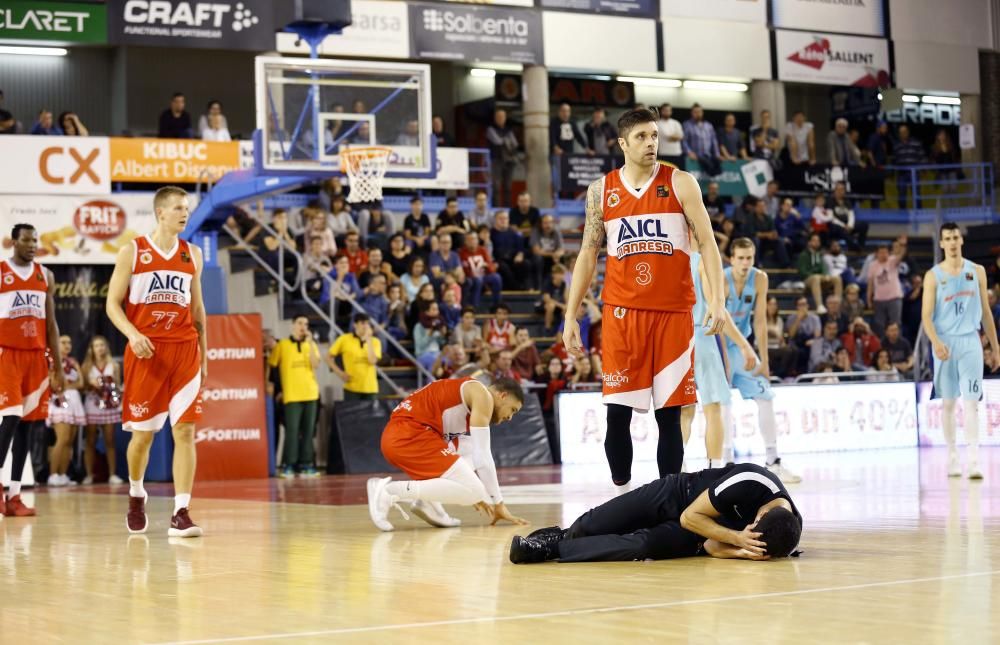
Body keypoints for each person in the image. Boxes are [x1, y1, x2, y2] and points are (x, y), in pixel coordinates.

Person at [563, 107, 728, 487]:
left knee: (669, 415)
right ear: (622, 143)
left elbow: (708, 243)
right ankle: (620, 492)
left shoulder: (681, 182)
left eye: (654, 135)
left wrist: (717, 300)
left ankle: (667, 500)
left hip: (673, 314)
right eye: (641, 137)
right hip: (623, 314)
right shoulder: (601, 191)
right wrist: (570, 315)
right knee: (616, 414)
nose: (651, 143)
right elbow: (588, 253)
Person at [105, 187, 206, 536]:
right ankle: (136, 493)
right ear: (161, 212)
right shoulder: (132, 251)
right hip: (146, 352)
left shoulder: (193, 254)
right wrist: (133, 335)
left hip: (184, 351)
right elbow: (112, 305)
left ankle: (181, 512)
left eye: (187, 208)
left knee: (186, 431)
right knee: (143, 440)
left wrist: (203, 357)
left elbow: (198, 311)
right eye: (178, 208)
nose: (185, 213)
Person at [509, 463, 802, 564]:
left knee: (641, 545)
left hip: (700, 532)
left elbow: (713, 545)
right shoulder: (751, 480)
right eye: (751, 525)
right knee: (594, 524)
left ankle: (550, 549)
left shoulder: (781, 537)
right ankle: (563, 535)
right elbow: (690, 516)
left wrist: (739, 549)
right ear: (762, 512)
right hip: (680, 496)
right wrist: (738, 537)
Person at [368, 377, 528, 531]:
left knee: (469, 447)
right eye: (512, 409)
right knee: (475, 490)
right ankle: (390, 491)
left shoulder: (467, 397)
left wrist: (459, 488)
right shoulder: (482, 395)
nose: (510, 417)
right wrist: (497, 502)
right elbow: (484, 457)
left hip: (405, 435)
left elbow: (475, 452)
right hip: (409, 435)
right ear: (503, 395)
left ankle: (429, 503)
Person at [922, 223, 1000, 479]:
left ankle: (974, 460)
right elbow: (926, 316)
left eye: (956, 237)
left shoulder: (976, 271)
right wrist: (935, 341)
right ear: (942, 243)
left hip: (970, 341)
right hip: (945, 343)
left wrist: (996, 346)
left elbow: (986, 314)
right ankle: (953, 456)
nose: (953, 242)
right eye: (947, 238)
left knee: (972, 403)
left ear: (961, 240)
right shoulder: (933, 275)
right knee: (948, 403)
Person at [722, 240, 800, 481]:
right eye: (741, 258)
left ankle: (773, 460)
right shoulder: (721, 279)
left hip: (743, 348)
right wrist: (723, 359)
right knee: (722, 403)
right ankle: (725, 464)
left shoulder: (760, 279)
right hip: (718, 345)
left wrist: (764, 360)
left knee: (766, 397)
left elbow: (760, 321)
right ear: (732, 259)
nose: (746, 263)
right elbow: (717, 320)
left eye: (750, 258)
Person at [0, 224, 62, 517]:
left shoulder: (45, 274)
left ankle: (14, 496)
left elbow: (51, 325)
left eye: (36, 240)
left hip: (36, 357)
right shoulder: (1, 271)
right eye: (26, 240)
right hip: (7, 354)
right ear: (14, 242)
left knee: (27, 425)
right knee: (11, 418)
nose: (32, 244)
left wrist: (58, 368)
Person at [681, 252, 757, 469]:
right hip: (702, 336)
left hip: (676, 339)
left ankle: (677, 470)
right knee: (713, 407)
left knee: (684, 410)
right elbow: (717, 310)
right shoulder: (701, 260)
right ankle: (714, 468)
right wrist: (743, 345)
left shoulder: (671, 256)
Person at [269, 317, 322, 480]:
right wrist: (274, 388)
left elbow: (316, 364)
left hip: (311, 394)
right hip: (291, 395)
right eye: (300, 323)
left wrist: (311, 342)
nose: (303, 327)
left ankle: (306, 464)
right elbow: (272, 367)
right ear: (293, 325)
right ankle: (288, 464)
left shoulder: (311, 345)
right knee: (291, 431)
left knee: (308, 431)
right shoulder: (282, 345)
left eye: (306, 324)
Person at [81, 335, 124, 485]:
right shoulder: (86, 366)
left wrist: (119, 402)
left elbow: (118, 386)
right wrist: (90, 383)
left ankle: (112, 474)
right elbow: (83, 387)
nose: (100, 348)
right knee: (90, 440)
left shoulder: (114, 365)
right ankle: (89, 474)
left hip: (109, 406)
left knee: (110, 440)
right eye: (97, 345)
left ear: (106, 347)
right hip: (92, 404)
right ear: (91, 349)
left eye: (102, 345)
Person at [47, 335, 86, 487]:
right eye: (63, 342)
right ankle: (52, 475)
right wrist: (67, 385)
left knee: (69, 442)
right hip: (60, 401)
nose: (67, 345)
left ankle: (63, 475)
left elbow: (81, 382)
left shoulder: (74, 362)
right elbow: (54, 383)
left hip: (74, 401)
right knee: (61, 439)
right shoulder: (52, 361)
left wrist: (68, 385)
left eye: (69, 342)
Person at [328, 314, 381, 401]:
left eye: (368, 324)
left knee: (370, 415)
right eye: (363, 323)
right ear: (355, 324)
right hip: (351, 387)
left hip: (370, 388)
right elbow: (328, 357)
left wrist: (368, 340)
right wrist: (340, 373)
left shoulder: (375, 342)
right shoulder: (344, 339)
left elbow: (372, 361)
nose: (366, 326)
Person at [798, 233, 842, 313]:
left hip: (819, 279)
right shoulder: (803, 255)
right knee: (815, 278)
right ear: (809, 242)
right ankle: (819, 305)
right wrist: (815, 275)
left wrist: (825, 276)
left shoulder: (820, 255)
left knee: (837, 278)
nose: (816, 242)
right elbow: (802, 272)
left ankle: (838, 305)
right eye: (814, 240)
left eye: (818, 240)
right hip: (807, 280)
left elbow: (824, 268)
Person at [867, 244, 904, 336]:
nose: (883, 254)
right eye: (881, 252)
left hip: (894, 298)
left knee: (895, 323)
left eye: (885, 252)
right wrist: (868, 299)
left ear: (888, 253)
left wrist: (903, 245)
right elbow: (870, 284)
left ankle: (896, 343)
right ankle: (882, 347)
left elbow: (901, 255)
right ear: (876, 254)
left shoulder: (892, 260)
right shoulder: (872, 265)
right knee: (879, 325)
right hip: (879, 299)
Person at [682, 104, 721, 176]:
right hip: (695, 157)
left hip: (708, 156)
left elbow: (714, 141)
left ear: (702, 113)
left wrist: (717, 154)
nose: (698, 114)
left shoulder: (709, 125)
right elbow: (684, 141)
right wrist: (689, 152)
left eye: (699, 112)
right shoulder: (687, 125)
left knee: (717, 171)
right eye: (695, 112)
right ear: (692, 113)